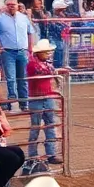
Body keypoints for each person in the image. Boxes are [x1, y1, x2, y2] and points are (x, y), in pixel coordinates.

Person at [0, 0, 33, 111]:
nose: (11, 7)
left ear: (17, 5)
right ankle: (12, 102)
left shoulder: (24, 18)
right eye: (9, 5)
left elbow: (30, 33)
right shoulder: (0, 19)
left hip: (22, 51)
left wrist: (30, 48)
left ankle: (24, 103)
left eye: (13, 5)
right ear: (6, 6)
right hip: (8, 52)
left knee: (23, 77)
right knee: (11, 78)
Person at [27, 38, 65, 166]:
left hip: (44, 97)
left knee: (49, 126)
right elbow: (42, 72)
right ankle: (34, 155)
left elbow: (47, 72)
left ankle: (50, 154)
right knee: (37, 128)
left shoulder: (44, 63)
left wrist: (57, 71)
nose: (49, 53)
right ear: (39, 52)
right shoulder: (33, 64)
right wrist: (58, 71)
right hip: (37, 98)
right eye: (46, 51)